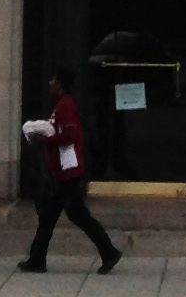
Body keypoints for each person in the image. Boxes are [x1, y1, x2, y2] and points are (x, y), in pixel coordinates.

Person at [17, 68, 121, 275]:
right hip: (61, 173)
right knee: (50, 216)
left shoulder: (66, 106)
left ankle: (108, 251)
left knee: (76, 214)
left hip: (67, 173)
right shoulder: (62, 106)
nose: (49, 83)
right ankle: (37, 259)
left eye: (53, 80)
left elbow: (69, 137)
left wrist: (43, 137)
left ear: (60, 84)